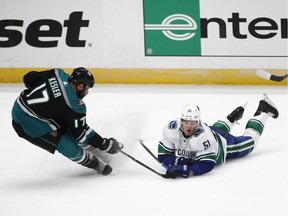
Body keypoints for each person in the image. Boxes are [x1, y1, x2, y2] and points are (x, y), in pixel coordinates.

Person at [11, 67, 123, 175]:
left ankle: (101, 155)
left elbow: (28, 78)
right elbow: (81, 135)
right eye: (86, 88)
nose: (86, 92)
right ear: (80, 86)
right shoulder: (75, 105)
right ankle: (94, 163)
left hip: (20, 106)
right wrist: (104, 144)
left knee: (72, 126)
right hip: (26, 122)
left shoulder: (58, 73)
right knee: (65, 143)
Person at [158, 94, 279, 178]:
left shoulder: (203, 137)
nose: (189, 127)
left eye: (192, 123)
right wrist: (175, 161)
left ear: (198, 122)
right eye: (186, 122)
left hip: (222, 145)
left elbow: (207, 163)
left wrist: (189, 171)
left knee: (251, 142)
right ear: (181, 121)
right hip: (213, 131)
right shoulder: (171, 129)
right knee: (215, 129)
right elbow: (163, 154)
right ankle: (232, 117)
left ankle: (263, 111)